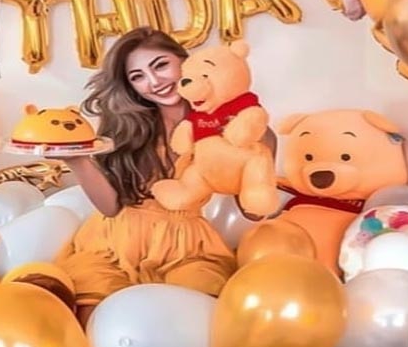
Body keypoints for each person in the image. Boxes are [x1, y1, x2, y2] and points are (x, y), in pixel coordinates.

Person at [55, 27, 276, 325]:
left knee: (198, 319)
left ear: (185, 61)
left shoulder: (238, 126)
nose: (154, 82)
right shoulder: (127, 128)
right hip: (112, 243)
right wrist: (77, 161)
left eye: (160, 65)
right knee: (94, 319)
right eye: (138, 76)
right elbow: (111, 207)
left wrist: (260, 150)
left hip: (188, 246)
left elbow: (253, 211)